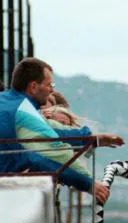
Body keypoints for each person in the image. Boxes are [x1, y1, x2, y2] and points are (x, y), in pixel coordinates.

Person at [0, 57, 115, 204]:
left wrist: (91, 138)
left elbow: (49, 133)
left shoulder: (7, 101)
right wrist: (89, 183)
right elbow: (55, 151)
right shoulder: (24, 110)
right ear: (33, 86)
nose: (52, 90)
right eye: (49, 84)